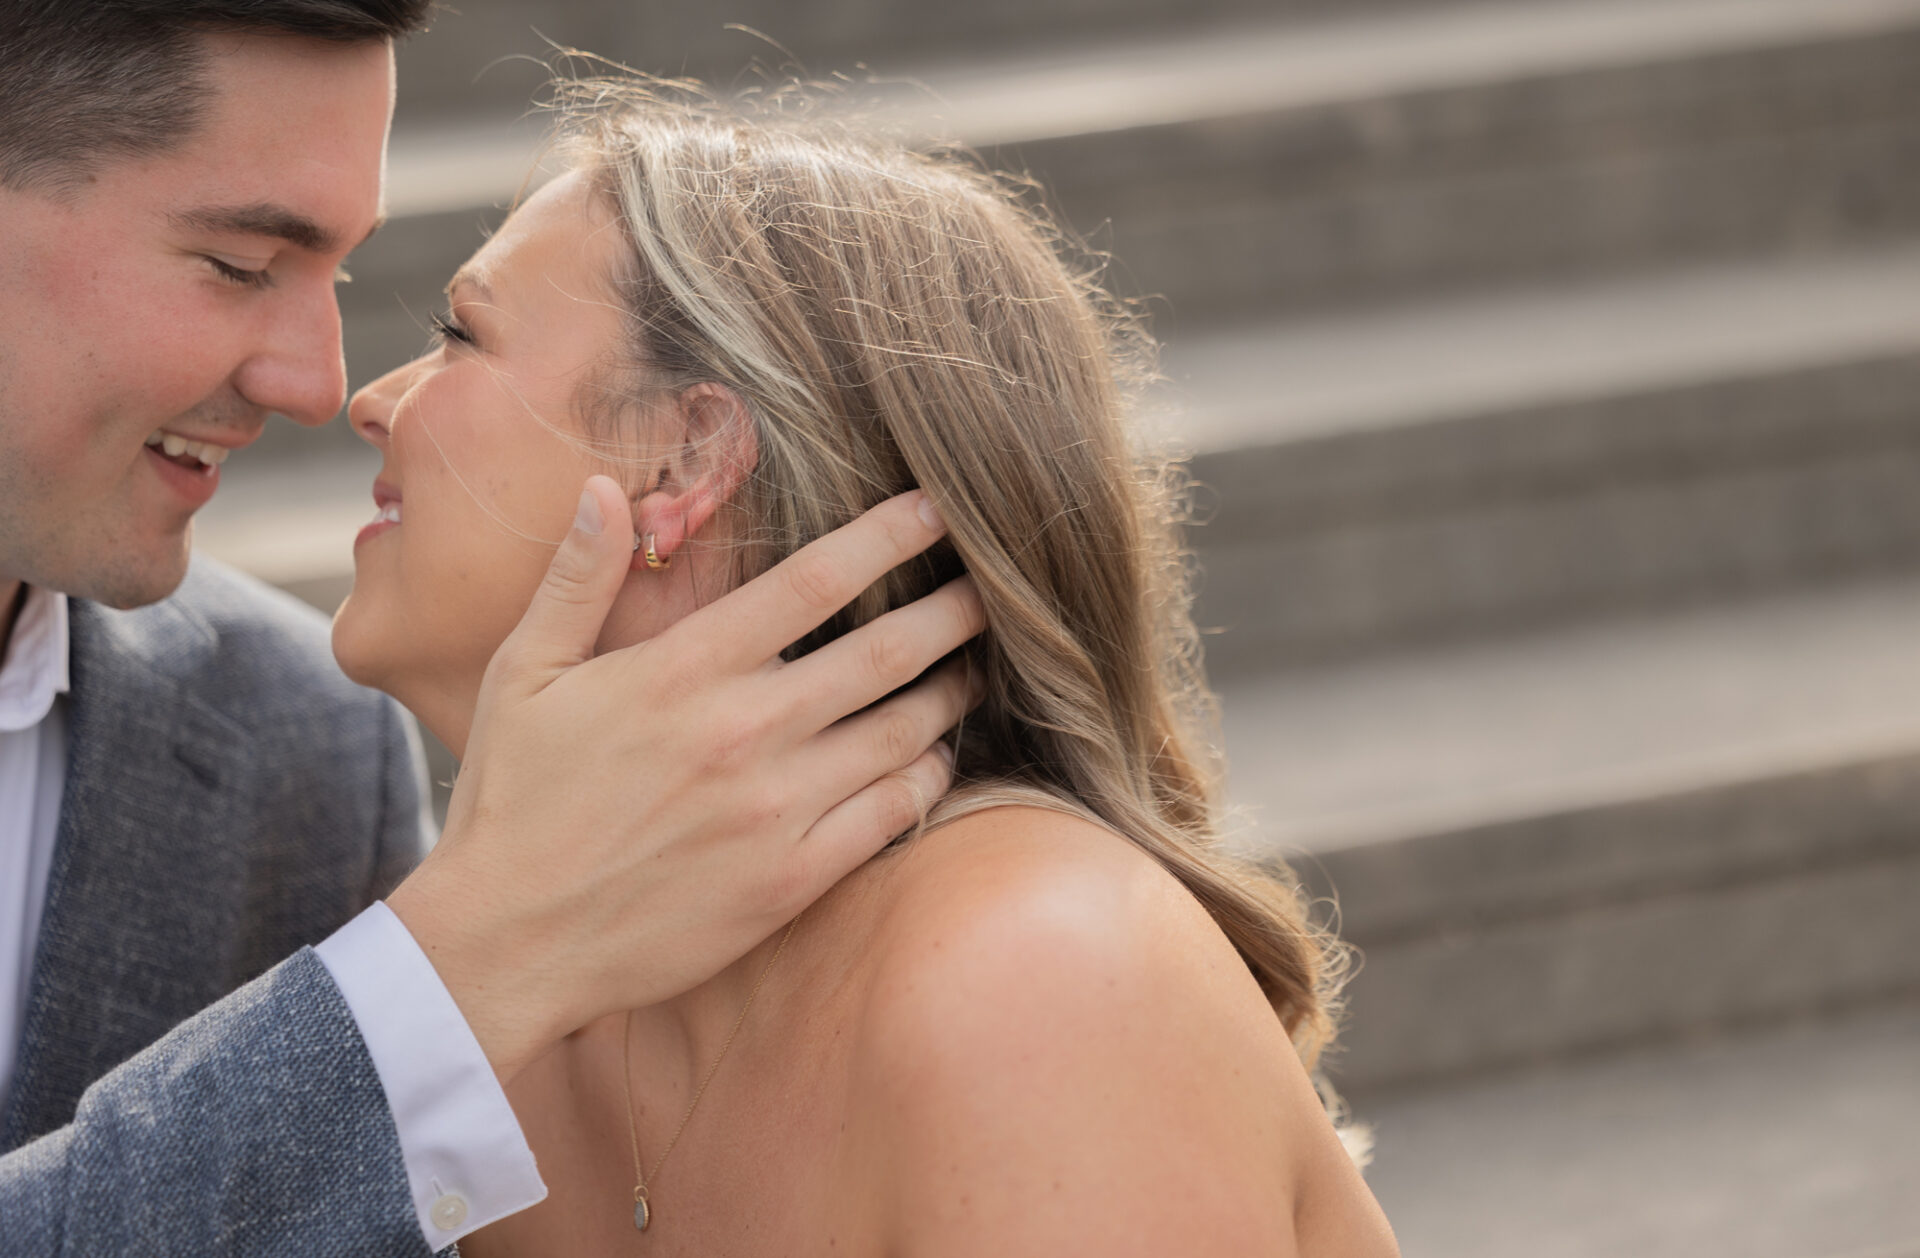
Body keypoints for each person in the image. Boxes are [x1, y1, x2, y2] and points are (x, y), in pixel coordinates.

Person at [328, 78, 1401, 1255]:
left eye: (460, 336)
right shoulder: (505, 1035)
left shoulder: (1039, 970)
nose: (369, 400)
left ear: (685, 461)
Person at [0, 4, 981, 1254]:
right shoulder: (478, 951)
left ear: (694, 458)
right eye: (240, 263)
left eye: (341, 278)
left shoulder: (308, 748)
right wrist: (455, 974)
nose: (324, 386)